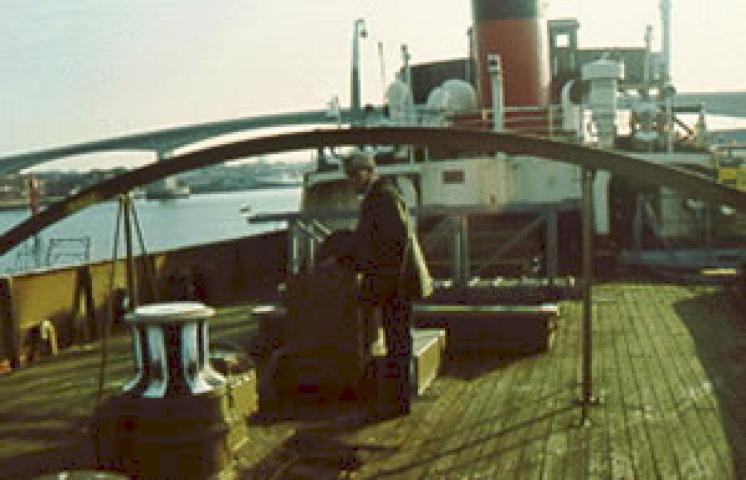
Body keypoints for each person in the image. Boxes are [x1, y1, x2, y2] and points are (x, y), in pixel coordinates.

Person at [344, 152, 432, 417]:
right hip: (395, 281)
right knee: (397, 341)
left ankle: (399, 403)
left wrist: (385, 283)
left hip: (397, 284)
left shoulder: (382, 197)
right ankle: (397, 400)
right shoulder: (381, 195)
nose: (351, 182)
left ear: (368, 172)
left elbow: (396, 242)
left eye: (354, 175)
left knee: (398, 342)